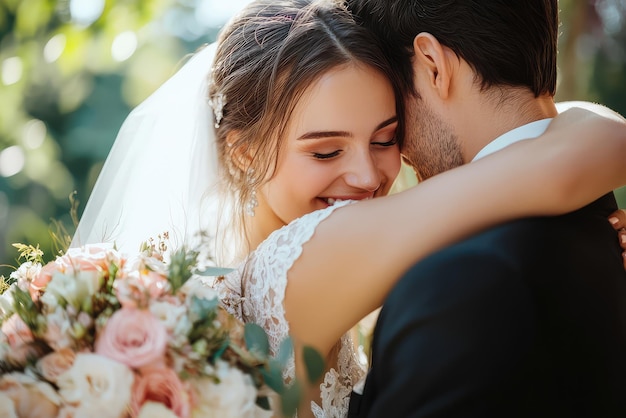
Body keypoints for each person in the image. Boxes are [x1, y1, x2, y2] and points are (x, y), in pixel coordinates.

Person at [70, 0, 626, 417]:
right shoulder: (303, 259)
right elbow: (572, 158)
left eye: (385, 138)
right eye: (326, 150)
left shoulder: (279, 267)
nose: (366, 176)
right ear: (241, 153)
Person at [337, 0, 626, 416]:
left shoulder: (457, 286)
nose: (397, 151)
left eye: (392, 102)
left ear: (433, 64)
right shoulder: (599, 219)